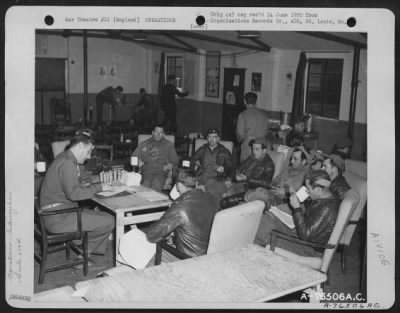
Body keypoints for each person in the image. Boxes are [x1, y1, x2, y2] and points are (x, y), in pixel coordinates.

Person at [39, 129, 115, 262]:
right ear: (80, 146)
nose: (89, 156)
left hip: (58, 212)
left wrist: (94, 182)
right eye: (88, 151)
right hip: (58, 217)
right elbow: (74, 194)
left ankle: (82, 245)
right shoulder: (68, 163)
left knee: (108, 216)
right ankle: (83, 253)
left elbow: (77, 182)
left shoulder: (65, 157)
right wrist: (99, 187)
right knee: (110, 221)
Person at [255, 170, 340, 256]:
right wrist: (292, 193)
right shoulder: (324, 196)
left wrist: (297, 208)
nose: (306, 191)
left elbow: (305, 235)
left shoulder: (327, 209)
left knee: (263, 231)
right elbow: (310, 209)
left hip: (309, 248)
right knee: (266, 218)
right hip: (302, 235)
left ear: (318, 190)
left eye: (308, 189)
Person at [145, 168, 219, 258]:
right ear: (195, 184)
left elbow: (152, 235)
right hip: (212, 253)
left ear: (178, 185)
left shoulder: (180, 206)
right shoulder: (211, 198)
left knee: (147, 253)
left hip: (188, 258)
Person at [220, 137, 275, 209]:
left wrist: (247, 179)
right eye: (253, 149)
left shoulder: (269, 164)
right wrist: (229, 178)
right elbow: (238, 168)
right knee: (218, 189)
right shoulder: (252, 157)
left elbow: (267, 183)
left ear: (264, 150)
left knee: (224, 202)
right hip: (242, 184)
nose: (254, 152)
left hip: (252, 191)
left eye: (257, 149)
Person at [132, 124, 179, 192]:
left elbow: (175, 160)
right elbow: (134, 156)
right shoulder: (144, 143)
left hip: (160, 172)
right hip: (147, 171)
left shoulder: (168, 145)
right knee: (144, 188)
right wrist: (137, 163)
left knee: (155, 187)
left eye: (161, 132)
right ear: (153, 132)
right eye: (156, 132)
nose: (158, 134)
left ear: (163, 134)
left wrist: (169, 165)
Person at [191, 128, 233, 201]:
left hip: (217, 178)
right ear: (207, 138)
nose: (211, 139)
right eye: (209, 137)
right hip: (202, 177)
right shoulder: (202, 149)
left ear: (218, 138)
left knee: (212, 191)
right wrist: (195, 163)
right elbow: (192, 160)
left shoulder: (224, 151)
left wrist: (228, 179)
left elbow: (231, 167)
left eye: (214, 137)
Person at [236, 92, 270, 162]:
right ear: (256, 102)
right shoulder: (264, 114)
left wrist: (241, 141)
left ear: (245, 101)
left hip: (249, 147)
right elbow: (267, 131)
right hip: (262, 146)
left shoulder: (243, 115)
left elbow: (240, 135)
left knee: (245, 168)